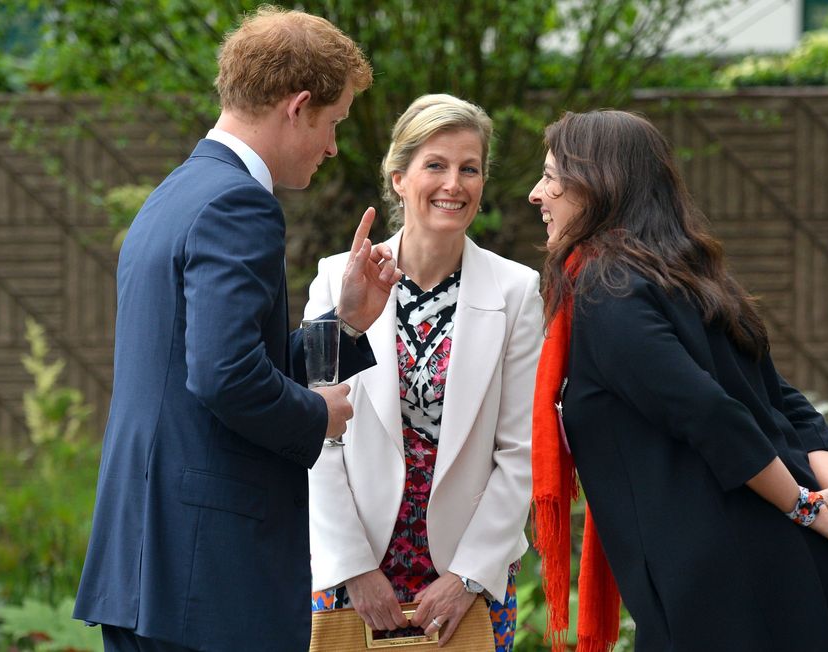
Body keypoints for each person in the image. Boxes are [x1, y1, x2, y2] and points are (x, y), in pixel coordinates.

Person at [72, 9, 401, 652]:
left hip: (153, 562)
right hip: (205, 568)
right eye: (332, 123)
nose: (332, 146)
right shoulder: (239, 203)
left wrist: (347, 322)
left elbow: (216, 361)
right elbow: (224, 375)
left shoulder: (176, 192)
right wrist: (316, 416)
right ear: (298, 106)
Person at [528, 110, 828, 652]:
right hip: (776, 563)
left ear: (600, 185)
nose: (537, 193)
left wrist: (811, 505)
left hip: (730, 586)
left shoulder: (608, 288)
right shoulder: (691, 276)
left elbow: (710, 413)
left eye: (552, 176)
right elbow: (785, 402)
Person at [304, 94, 543, 651]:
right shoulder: (337, 280)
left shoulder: (515, 292)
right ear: (398, 178)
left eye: (470, 169)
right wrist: (355, 568)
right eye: (435, 165)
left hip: (467, 577)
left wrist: (466, 576)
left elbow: (521, 450)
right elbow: (318, 435)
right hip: (354, 571)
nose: (453, 184)